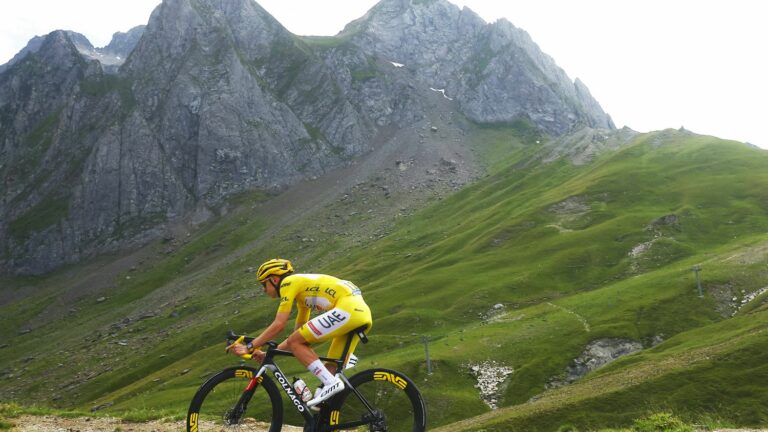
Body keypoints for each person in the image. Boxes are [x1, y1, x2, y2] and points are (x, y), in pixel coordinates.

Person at [228, 258, 372, 407]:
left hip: (348, 310)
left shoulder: (288, 283)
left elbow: (279, 324)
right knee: (328, 371)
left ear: (275, 280)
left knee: (325, 376)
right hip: (361, 314)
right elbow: (296, 337)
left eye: (264, 284)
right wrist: (269, 354)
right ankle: (324, 417)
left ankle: (331, 383)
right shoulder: (304, 295)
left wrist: (249, 347)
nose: (264, 290)